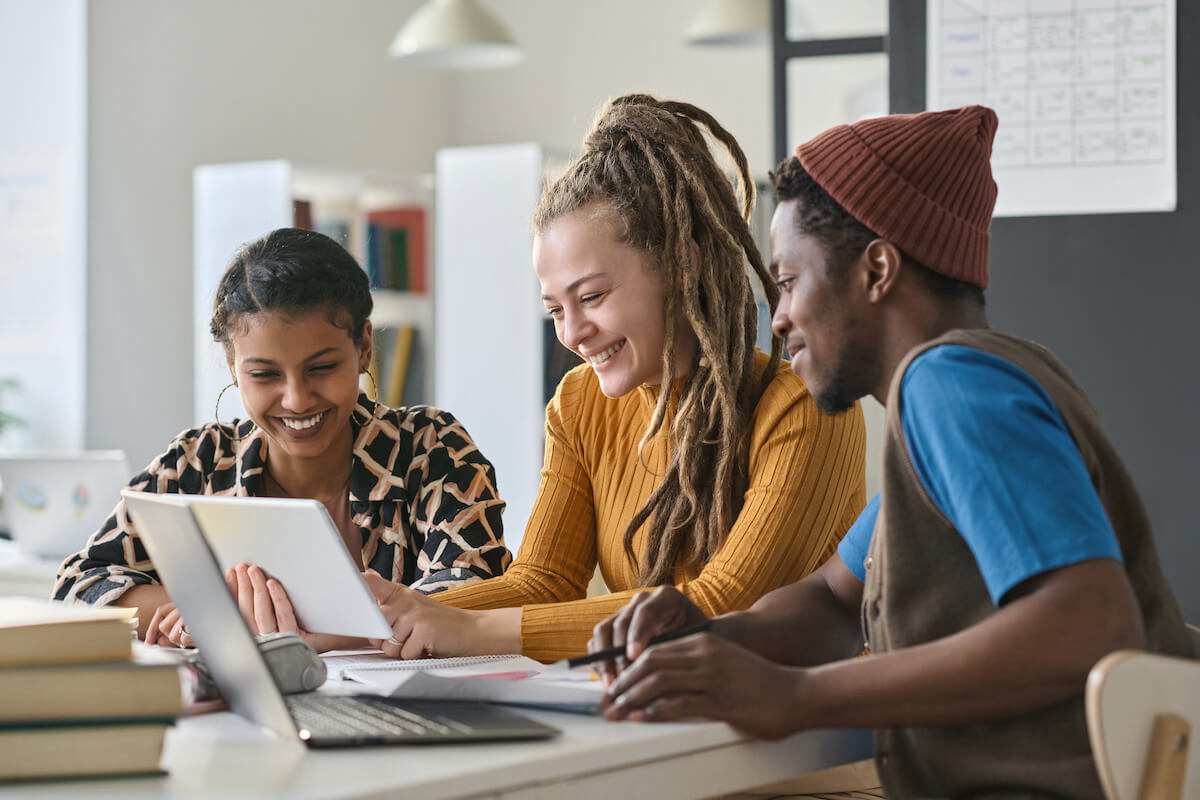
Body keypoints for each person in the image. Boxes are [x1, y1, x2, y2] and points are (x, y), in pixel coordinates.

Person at [587, 105, 1192, 798]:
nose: (777, 316)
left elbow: (1088, 620)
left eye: (787, 281)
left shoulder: (948, 385)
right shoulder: (978, 387)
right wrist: (709, 639)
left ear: (876, 269)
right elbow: (832, 601)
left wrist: (798, 697)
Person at [360, 94, 867, 664]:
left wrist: (471, 632)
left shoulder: (801, 406)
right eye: (554, 309)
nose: (572, 333)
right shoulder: (579, 404)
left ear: (682, 267)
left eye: (592, 297)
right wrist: (385, 619)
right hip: (660, 719)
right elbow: (543, 583)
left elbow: (723, 605)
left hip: (798, 741)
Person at [53, 228, 511, 651]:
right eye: (264, 374)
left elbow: (471, 597)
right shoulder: (199, 461)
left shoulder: (431, 450)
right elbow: (77, 586)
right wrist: (215, 608)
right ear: (233, 366)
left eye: (321, 368)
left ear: (364, 347)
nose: (296, 399)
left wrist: (287, 628)